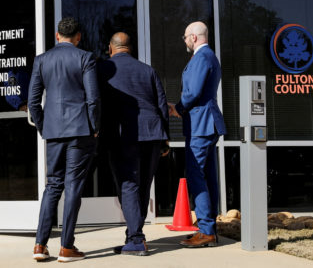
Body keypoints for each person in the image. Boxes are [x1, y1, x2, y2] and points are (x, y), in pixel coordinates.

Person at [28, 17, 100, 262]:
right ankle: (67, 247)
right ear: (78, 37)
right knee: (73, 187)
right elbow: (93, 99)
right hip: (81, 131)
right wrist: (95, 126)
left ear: (57, 36)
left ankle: (39, 244)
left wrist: (43, 126)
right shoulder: (85, 57)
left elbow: (33, 102)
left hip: (54, 132)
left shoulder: (42, 60)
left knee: (53, 186)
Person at [97, 32, 169, 256]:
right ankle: (133, 235)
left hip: (123, 135)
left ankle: (136, 239)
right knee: (143, 185)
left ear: (111, 48)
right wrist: (165, 137)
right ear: (130, 48)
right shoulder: (148, 70)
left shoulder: (103, 70)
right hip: (152, 133)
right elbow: (161, 103)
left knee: (128, 186)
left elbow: (96, 102)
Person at [168, 21, 226, 248]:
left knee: (195, 175)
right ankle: (208, 229)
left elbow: (192, 92)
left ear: (193, 37)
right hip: (205, 123)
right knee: (208, 177)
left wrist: (178, 108)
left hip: (202, 125)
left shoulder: (202, 57)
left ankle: (206, 230)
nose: (184, 41)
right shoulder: (208, 56)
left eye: (184, 37)